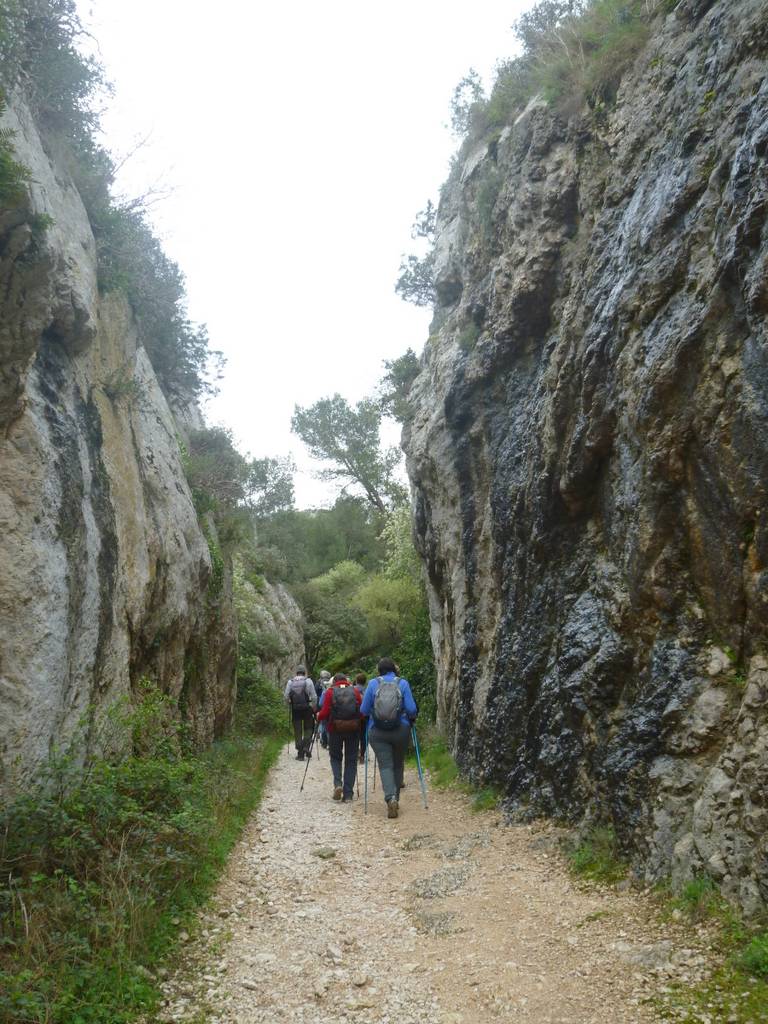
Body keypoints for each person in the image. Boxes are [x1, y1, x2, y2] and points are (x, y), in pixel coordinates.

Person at [361, 657, 418, 819]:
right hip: (401, 730)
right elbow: (412, 709)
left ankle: (390, 798)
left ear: (379, 670)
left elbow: (363, 710)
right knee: (398, 763)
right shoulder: (403, 683)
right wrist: (409, 717)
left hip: (377, 732)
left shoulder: (373, 684)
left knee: (385, 765)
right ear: (394, 669)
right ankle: (396, 798)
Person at [316, 671, 362, 801]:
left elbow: (324, 712)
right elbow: (362, 710)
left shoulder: (330, 692)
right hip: (353, 729)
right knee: (351, 760)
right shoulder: (355, 691)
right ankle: (348, 794)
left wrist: (319, 717)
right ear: (347, 681)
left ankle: (338, 784)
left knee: (335, 757)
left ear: (334, 681)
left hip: (335, 729)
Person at [284, 666, 317, 760]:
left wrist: (290, 703)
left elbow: (286, 696)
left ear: (297, 673)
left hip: (295, 710)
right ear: (304, 673)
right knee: (309, 728)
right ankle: (306, 746)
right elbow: (314, 696)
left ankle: (300, 753)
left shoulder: (291, 682)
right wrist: (314, 707)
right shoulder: (308, 681)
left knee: (297, 731)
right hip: (307, 708)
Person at [354, 672, 369, 759]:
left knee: (355, 735)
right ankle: (362, 754)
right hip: (364, 716)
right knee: (364, 736)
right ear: (365, 681)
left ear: (356, 681)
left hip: (354, 716)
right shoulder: (367, 690)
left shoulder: (352, 690)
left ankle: (355, 752)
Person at [316, 670, 332, 748]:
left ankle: (324, 741)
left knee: (323, 723)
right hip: (332, 710)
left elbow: (319, 702)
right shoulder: (331, 684)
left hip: (322, 706)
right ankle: (329, 742)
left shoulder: (319, 683)